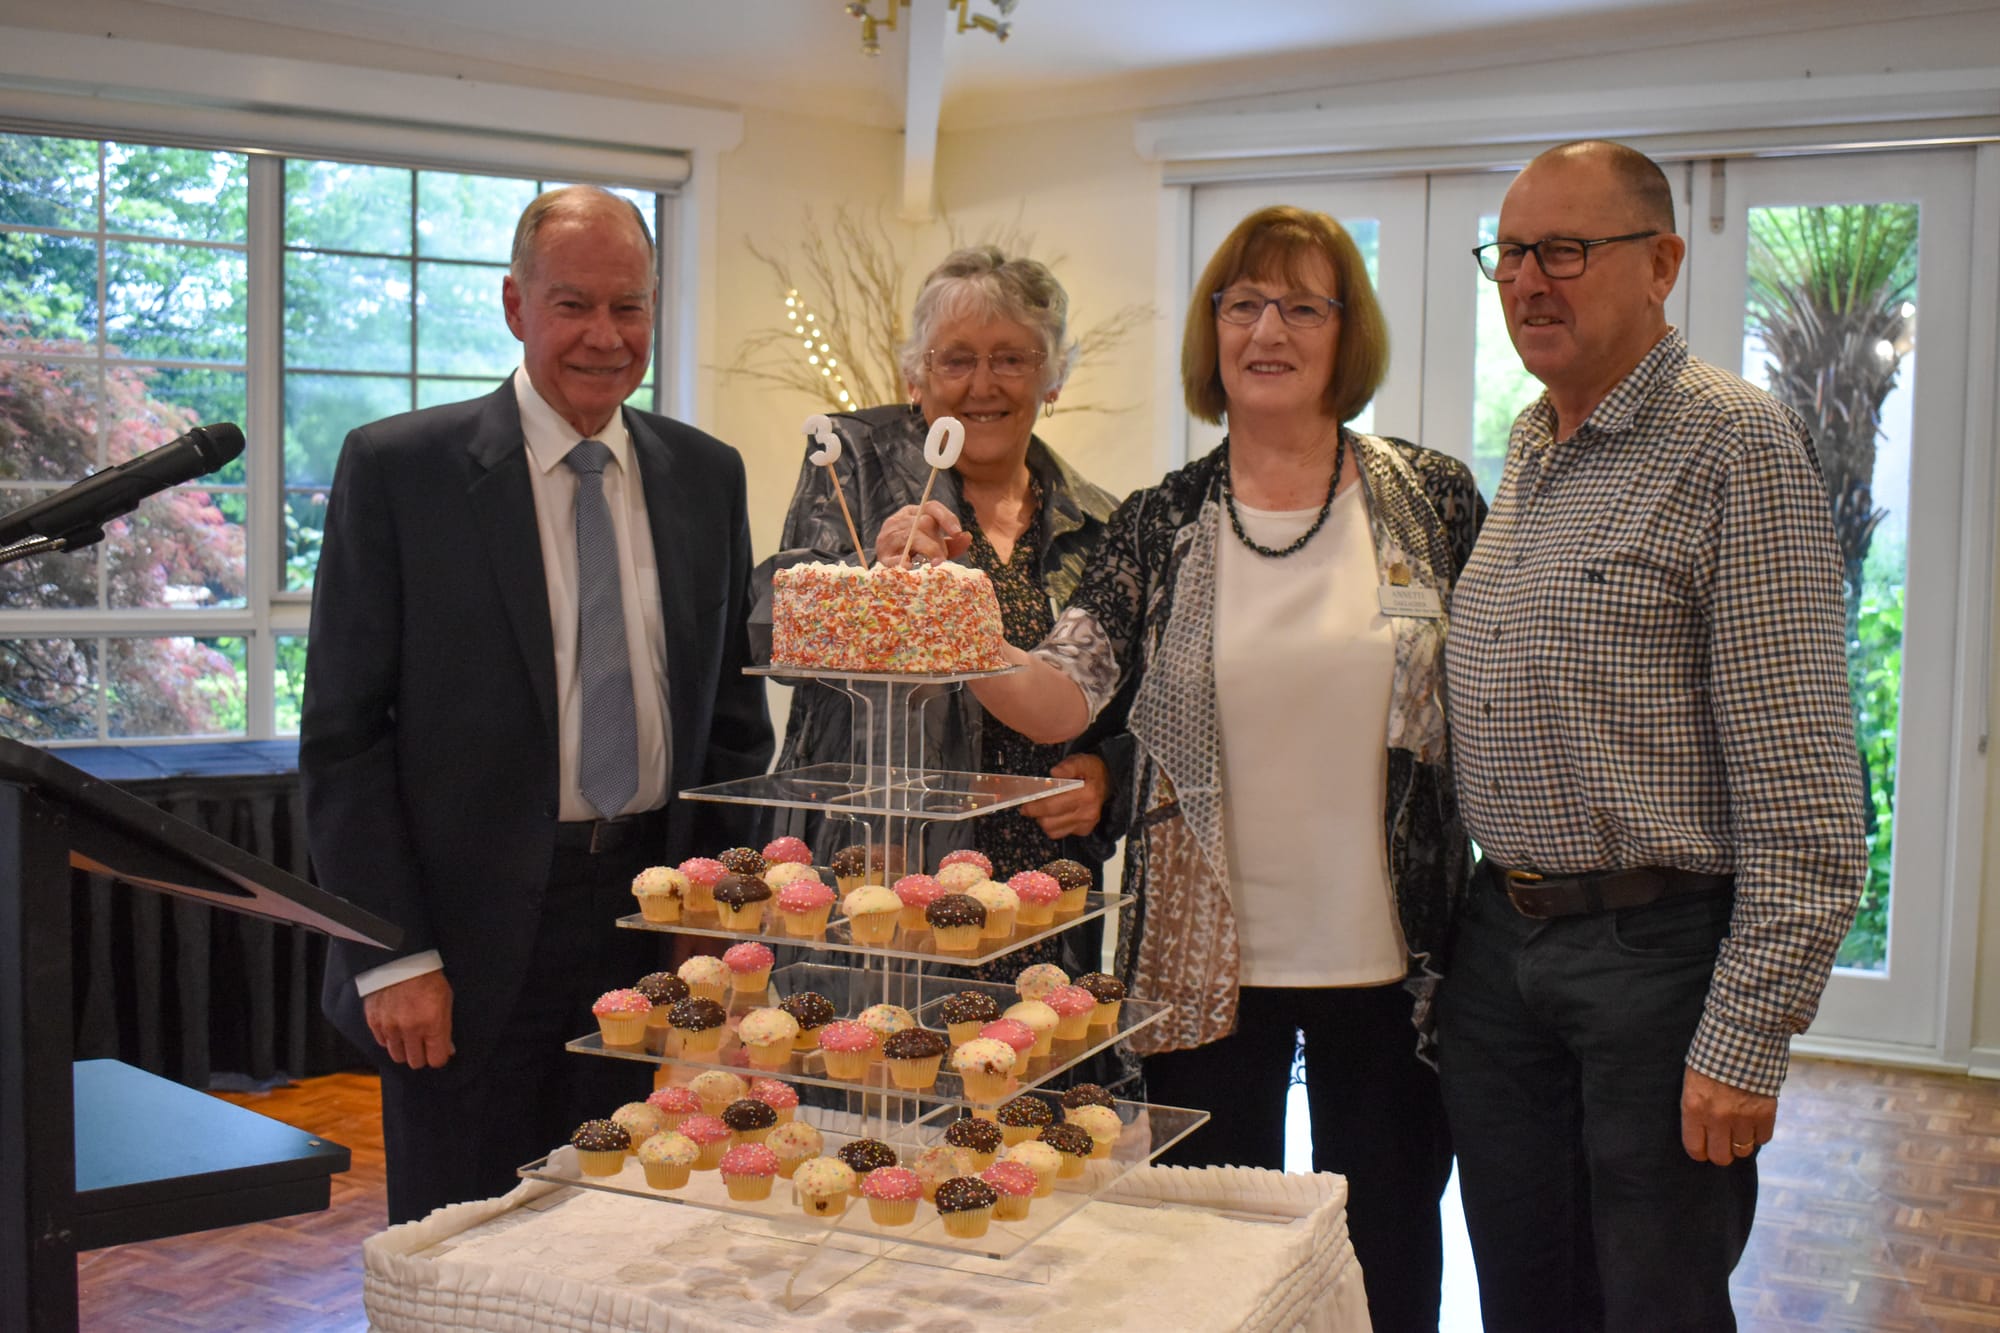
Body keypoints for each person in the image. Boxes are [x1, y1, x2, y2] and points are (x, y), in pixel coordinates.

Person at [960, 206, 1483, 1332]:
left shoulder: (1431, 502)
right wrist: (948, 626)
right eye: (1241, 303)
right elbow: (1062, 690)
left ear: (1348, 332)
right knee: (1203, 1269)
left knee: (1387, 1259)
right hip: (1205, 979)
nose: (1267, 329)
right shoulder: (1162, 522)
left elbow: (1503, 697)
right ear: (1212, 332)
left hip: (1400, 972)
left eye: (1302, 304)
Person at [1440, 140, 1868, 1331]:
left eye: (1564, 250)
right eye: (1509, 253)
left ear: (1660, 262)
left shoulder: (1731, 446)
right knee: (1524, 1292)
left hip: (1655, 963)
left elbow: (1809, 797)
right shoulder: (1532, 443)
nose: (1529, 280)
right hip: (1501, 949)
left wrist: (1744, 1036)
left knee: (1653, 1303)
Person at [301, 185, 774, 1224]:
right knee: (458, 1238)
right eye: (574, 305)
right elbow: (344, 742)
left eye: (629, 307)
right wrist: (394, 957)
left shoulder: (705, 474)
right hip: (460, 949)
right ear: (515, 305)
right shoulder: (401, 471)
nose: (605, 337)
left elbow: (734, 727)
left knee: (618, 1228)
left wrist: (719, 918)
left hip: (650, 925)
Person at [756, 246, 1132, 997]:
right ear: (915, 377)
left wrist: (1106, 777)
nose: (982, 385)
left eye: (1012, 359)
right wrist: (873, 583)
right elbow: (773, 624)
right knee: (877, 1081)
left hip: (1036, 890)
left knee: (1028, 1092)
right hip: (889, 875)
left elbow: (1127, 703)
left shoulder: (1100, 522)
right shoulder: (855, 460)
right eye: (955, 359)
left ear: (1053, 376)